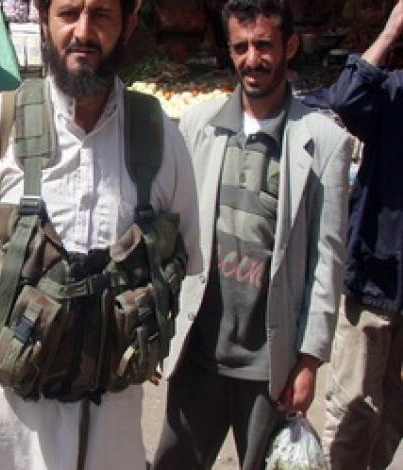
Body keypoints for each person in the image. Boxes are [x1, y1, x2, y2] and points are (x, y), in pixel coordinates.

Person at [0, 0, 201, 468]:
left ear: (127, 25)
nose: (83, 32)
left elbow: (183, 259)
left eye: (101, 14)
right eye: (69, 13)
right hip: (2, 429)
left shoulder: (160, 138)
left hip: (109, 431)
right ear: (45, 21)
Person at [152, 1, 353, 469]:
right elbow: (173, 235)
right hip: (199, 353)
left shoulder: (323, 142)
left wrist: (309, 360)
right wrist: (160, 330)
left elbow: (327, 261)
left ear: (290, 46)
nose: (251, 59)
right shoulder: (198, 126)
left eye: (263, 45)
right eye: (240, 47)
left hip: (269, 367)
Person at [322, 1, 403, 467]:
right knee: (354, 406)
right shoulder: (392, 92)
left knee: (392, 414)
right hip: (376, 279)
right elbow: (345, 98)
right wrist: (391, 30)